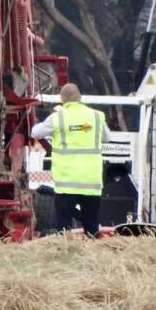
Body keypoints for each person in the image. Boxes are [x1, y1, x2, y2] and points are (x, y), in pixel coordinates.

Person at [30, 83, 111, 238]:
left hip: (67, 183)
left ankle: (66, 250)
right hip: (91, 182)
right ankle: (92, 248)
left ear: (62, 99)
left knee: (63, 229)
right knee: (92, 227)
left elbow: (35, 132)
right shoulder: (96, 116)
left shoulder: (58, 117)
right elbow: (107, 137)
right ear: (79, 98)